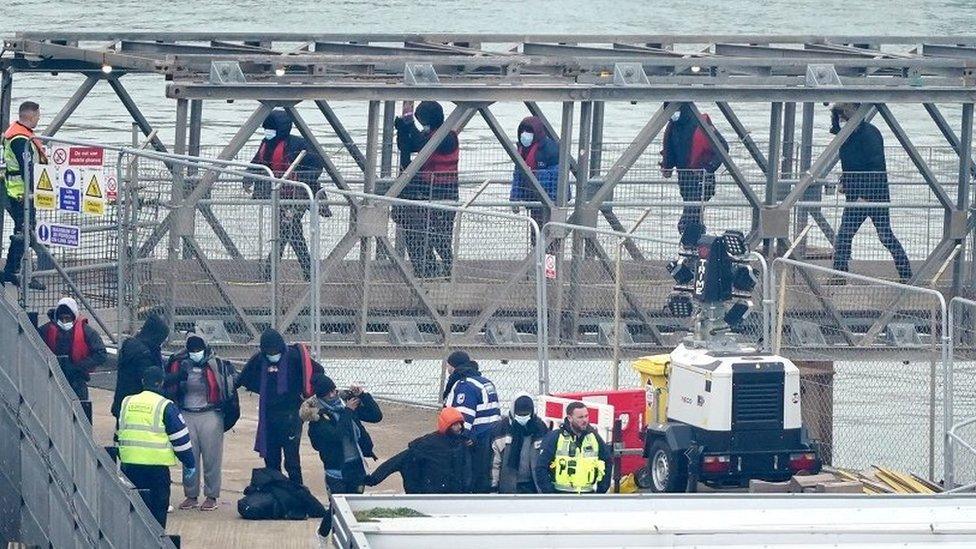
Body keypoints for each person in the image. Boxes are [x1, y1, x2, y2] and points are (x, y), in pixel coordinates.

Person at [829, 103, 913, 284]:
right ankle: (839, 275)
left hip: (875, 194)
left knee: (884, 235)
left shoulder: (869, 134)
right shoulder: (847, 134)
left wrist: (865, 195)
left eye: (845, 111)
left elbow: (876, 166)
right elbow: (849, 161)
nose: (842, 115)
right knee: (844, 235)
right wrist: (845, 182)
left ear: (856, 109)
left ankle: (906, 273)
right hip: (856, 194)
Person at [236, 328, 323, 485]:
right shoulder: (259, 359)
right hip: (269, 416)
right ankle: (277, 494)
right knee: (271, 461)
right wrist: (260, 388)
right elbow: (243, 379)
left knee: (292, 461)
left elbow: (318, 373)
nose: (272, 354)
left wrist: (304, 394)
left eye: (275, 351)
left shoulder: (295, 357)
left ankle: (297, 495)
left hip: (292, 415)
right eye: (268, 351)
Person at [301, 374, 383, 539]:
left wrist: (363, 395)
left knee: (353, 507)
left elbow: (376, 416)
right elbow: (337, 437)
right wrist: (347, 412)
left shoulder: (345, 405)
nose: (333, 395)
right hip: (336, 469)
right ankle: (323, 535)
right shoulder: (318, 418)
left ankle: (347, 539)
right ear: (320, 396)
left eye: (334, 391)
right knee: (336, 508)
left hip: (355, 465)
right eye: (328, 393)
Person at [246, 109, 325, 281]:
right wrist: (247, 179)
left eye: (271, 129)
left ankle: (271, 272)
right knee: (290, 232)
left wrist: (302, 181)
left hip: (299, 196)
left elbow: (317, 164)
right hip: (279, 197)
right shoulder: (265, 144)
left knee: (287, 231)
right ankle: (307, 271)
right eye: (266, 129)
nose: (268, 132)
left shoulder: (297, 144)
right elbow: (256, 163)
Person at [116, 367, 196, 529]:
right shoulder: (166, 406)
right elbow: (180, 439)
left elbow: (119, 432)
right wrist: (189, 462)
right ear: (161, 383)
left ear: (143, 382)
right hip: (156, 469)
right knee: (157, 514)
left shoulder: (127, 402)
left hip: (129, 466)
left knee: (134, 512)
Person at [165, 335, 236, 512]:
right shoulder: (179, 363)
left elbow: (228, 388)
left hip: (210, 414)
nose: (196, 353)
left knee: (212, 458)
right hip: (186, 413)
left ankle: (212, 496)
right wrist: (180, 376)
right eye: (192, 351)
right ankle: (191, 495)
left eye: (198, 350)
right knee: (189, 457)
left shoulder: (216, 364)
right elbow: (168, 384)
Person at [393, 101, 460, 279]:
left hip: (444, 193)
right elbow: (407, 146)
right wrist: (402, 130)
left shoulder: (447, 137)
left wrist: (410, 126)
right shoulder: (427, 134)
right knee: (417, 233)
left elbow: (422, 144)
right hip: (424, 192)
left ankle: (448, 270)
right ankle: (426, 272)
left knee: (440, 235)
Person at [659, 102, 729, 242]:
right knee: (693, 214)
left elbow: (723, 148)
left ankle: (692, 244)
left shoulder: (700, 124)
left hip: (702, 180)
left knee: (691, 216)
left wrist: (708, 168)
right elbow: (671, 150)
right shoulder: (674, 126)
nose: (673, 115)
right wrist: (667, 166)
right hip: (685, 180)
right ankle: (695, 244)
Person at [365, 407, 472, 494]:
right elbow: (395, 462)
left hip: (453, 492)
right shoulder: (427, 444)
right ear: (446, 426)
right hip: (429, 492)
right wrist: (373, 479)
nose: (458, 427)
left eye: (460, 424)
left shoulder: (462, 443)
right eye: (454, 425)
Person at [2, 101, 50, 289]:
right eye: (38, 115)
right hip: (22, 194)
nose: (39, 118)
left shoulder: (16, 134)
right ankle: (18, 273)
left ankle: (11, 271)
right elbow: (26, 169)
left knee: (22, 232)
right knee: (26, 233)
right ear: (31, 116)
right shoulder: (21, 139)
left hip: (18, 191)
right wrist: (32, 193)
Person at [38, 297, 107, 419]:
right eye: (62, 318)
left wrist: (78, 367)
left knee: (80, 414)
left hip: (77, 379)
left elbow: (100, 354)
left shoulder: (88, 332)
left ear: (74, 317)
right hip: (54, 379)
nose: (64, 321)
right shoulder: (46, 330)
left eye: (67, 318)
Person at [442, 351, 501, 493]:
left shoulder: (465, 385)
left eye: (448, 366)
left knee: (473, 477)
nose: (447, 370)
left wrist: (463, 437)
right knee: (489, 472)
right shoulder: (485, 382)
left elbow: (462, 419)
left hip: (478, 440)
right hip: (493, 435)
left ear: (453, 366)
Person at [536, 401, 612, 494]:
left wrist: (601, 490)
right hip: (561, 494)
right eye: (580, 417)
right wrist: (551, 493)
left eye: (586, 416)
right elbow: (540, 467)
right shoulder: (555, 437)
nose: (585, 420)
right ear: (569, 418)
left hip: (588, 494)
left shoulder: (594, 437)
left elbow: (607, 461)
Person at [509, 116, 561, 235]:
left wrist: (535, 175)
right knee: (536, 234)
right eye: (522, 131)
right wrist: (514, 198)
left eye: (529, 131)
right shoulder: (522, 150)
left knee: (551, 232)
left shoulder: (550, 149)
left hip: (550, 199)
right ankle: (537, 251)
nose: (524, 134)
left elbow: (557, 175)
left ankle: (550, 252)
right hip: (533, 198)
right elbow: (518, 175)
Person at [112, 314, 170, 421]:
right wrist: (177, 376)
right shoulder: (144, 354)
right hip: (137, 407)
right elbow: (152, 378)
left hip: (124, 403)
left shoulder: (131, 345)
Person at [490, 392, 549, 493]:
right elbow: (495, 463)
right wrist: (493, 487)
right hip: (509, 486)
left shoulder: (540, 428)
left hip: (534, 485)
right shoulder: (501, 430)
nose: (523, 417)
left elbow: (547, 458)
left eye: (526, 414)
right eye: (520, 414)